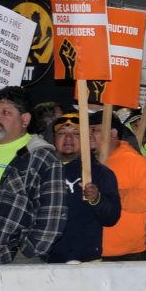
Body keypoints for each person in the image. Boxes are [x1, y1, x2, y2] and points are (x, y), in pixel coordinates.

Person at [0, 86, 70, 278]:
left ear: (25, 119)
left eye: (5, 112)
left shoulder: (41, 157)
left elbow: (53, 217)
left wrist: (24, 257)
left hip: (4, 266)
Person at [44, 111, 122, 263]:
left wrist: (97, 199)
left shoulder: (100, 173)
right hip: (46, 259)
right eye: (62, 133)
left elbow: (112, 217)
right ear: (54, 139)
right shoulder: (43, 170)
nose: (68, 138)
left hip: (85, 259)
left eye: (76, 133)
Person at [96, 115, 146, 260]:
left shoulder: (134, 161)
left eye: (95, 130)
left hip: (126, 253)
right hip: (91, 249)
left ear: (113, 133)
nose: (90, 135)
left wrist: (111, 196)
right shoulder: (87, 161)